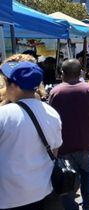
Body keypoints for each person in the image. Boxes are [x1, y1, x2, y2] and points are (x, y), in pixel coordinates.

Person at [0, 61, 63, 209]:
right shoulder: (51, 112)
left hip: (9, 197)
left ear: (14, 86)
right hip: (43, 192)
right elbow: (55, 152)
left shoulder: (4, 115)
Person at [49, 59, 89, 210]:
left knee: (67, 175)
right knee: (87, 174)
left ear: (62, 73)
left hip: (64, 143)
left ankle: (71, 206)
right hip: (87, 141)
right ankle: (88, 205)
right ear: (80, 73)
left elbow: (51, 119)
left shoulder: (55, 92)